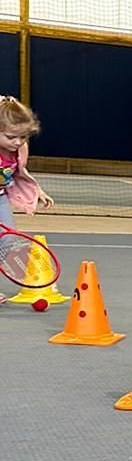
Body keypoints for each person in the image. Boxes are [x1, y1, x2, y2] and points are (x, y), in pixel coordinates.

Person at [0, 96, 54, 307]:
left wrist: (38, 191)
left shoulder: (17, 152)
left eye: (23, 137)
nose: (17, 142)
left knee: (6, 240)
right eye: (11, 137)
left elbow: (20, 173)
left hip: (1, 198)